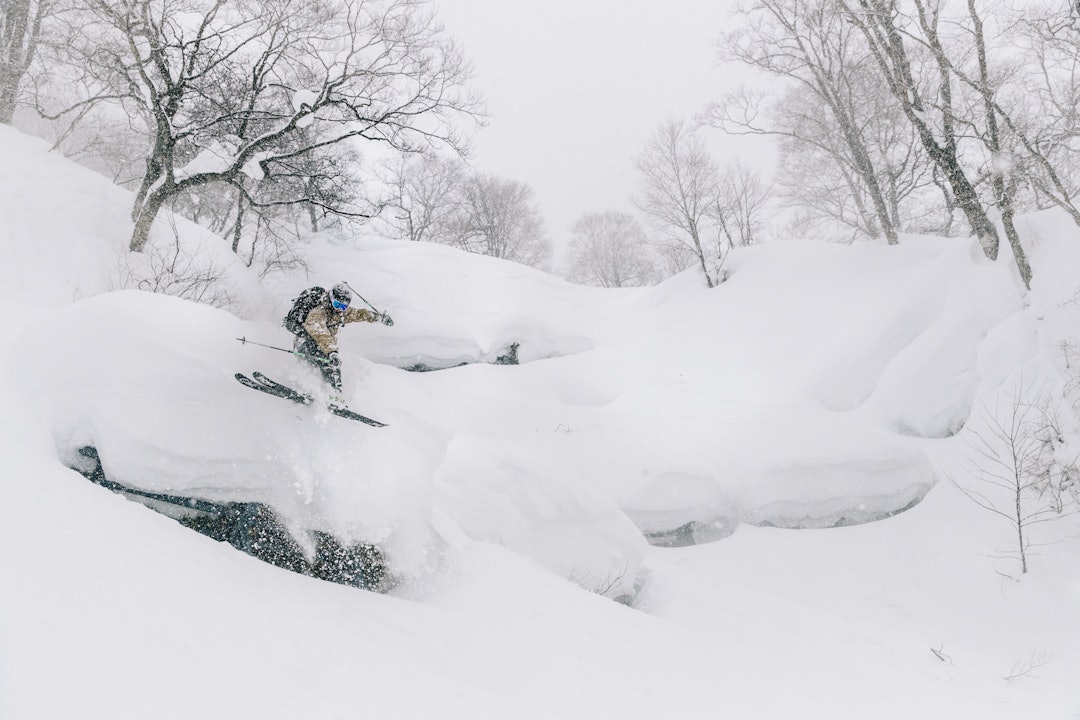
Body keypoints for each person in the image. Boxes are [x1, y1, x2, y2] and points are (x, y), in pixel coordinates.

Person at [288, 283, 393, 396]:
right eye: (337, 304)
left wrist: (379, 318)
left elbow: (358, 314)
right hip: (305, 344)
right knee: (323, 361)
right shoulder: (318, 312)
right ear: (331, 298)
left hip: (325, 347)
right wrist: (332, 352)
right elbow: (321, 334)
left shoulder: (340, 313)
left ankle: (335, 395)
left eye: (343, 307)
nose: (339, 309)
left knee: (333, 364)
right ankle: (306, 389)